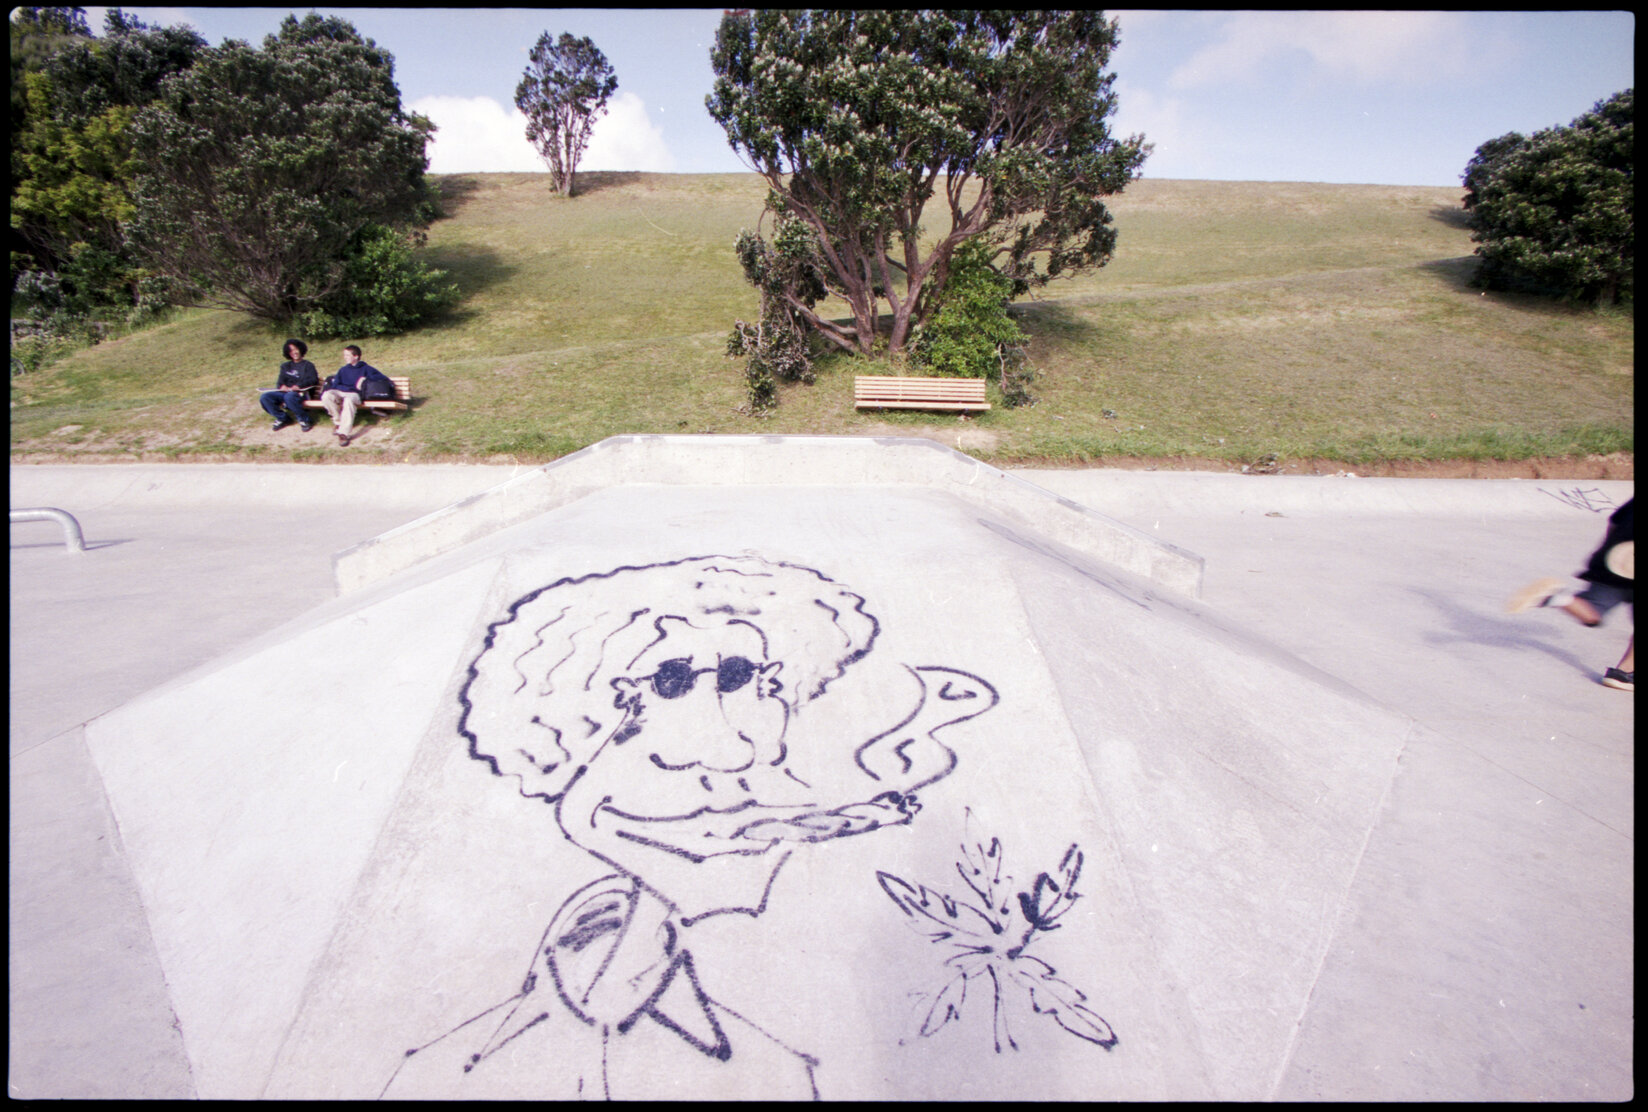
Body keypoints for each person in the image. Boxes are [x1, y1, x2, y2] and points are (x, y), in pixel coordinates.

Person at [381, 555, 1000, 1099]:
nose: (716, 709)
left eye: (735, 676)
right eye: (674, 679)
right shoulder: (604, 793)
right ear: (622, 691)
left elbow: (744, 824)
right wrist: (813, 825)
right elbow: (704, 839)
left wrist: (848, 807)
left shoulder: (775, 1062)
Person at [1508, 497, 1634, 691]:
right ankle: (1625, 673)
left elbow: (1614, 522)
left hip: (1615, 562)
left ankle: (1557, 597)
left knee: (1593, 612)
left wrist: (1605, 555)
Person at [319, 344, 393, 447]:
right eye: (344, 355)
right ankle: (338, 422)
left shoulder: (366, 368)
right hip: (342, 392)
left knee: (349, 400)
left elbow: (383, 378)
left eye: (347, 355)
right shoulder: (343, 370)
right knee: (326, 395)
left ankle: (343, 433)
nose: (345, 357)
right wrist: (346, 389)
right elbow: (335, 386)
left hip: (355, 394)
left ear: (356, 356)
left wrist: (365, 380)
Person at [259, 339, 318, 432]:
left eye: (295, 349)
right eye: (291, 351)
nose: (294, 352)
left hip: (301, 393)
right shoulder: (285, 366)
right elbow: (280, 381)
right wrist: (282, 386)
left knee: (290, 397)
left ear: (300, 349)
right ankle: (283, 418)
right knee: (265, 397)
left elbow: (313, 379)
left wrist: (299, 386)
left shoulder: (308, 365)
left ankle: (305, 420)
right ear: (288, 353)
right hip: (285, 393)